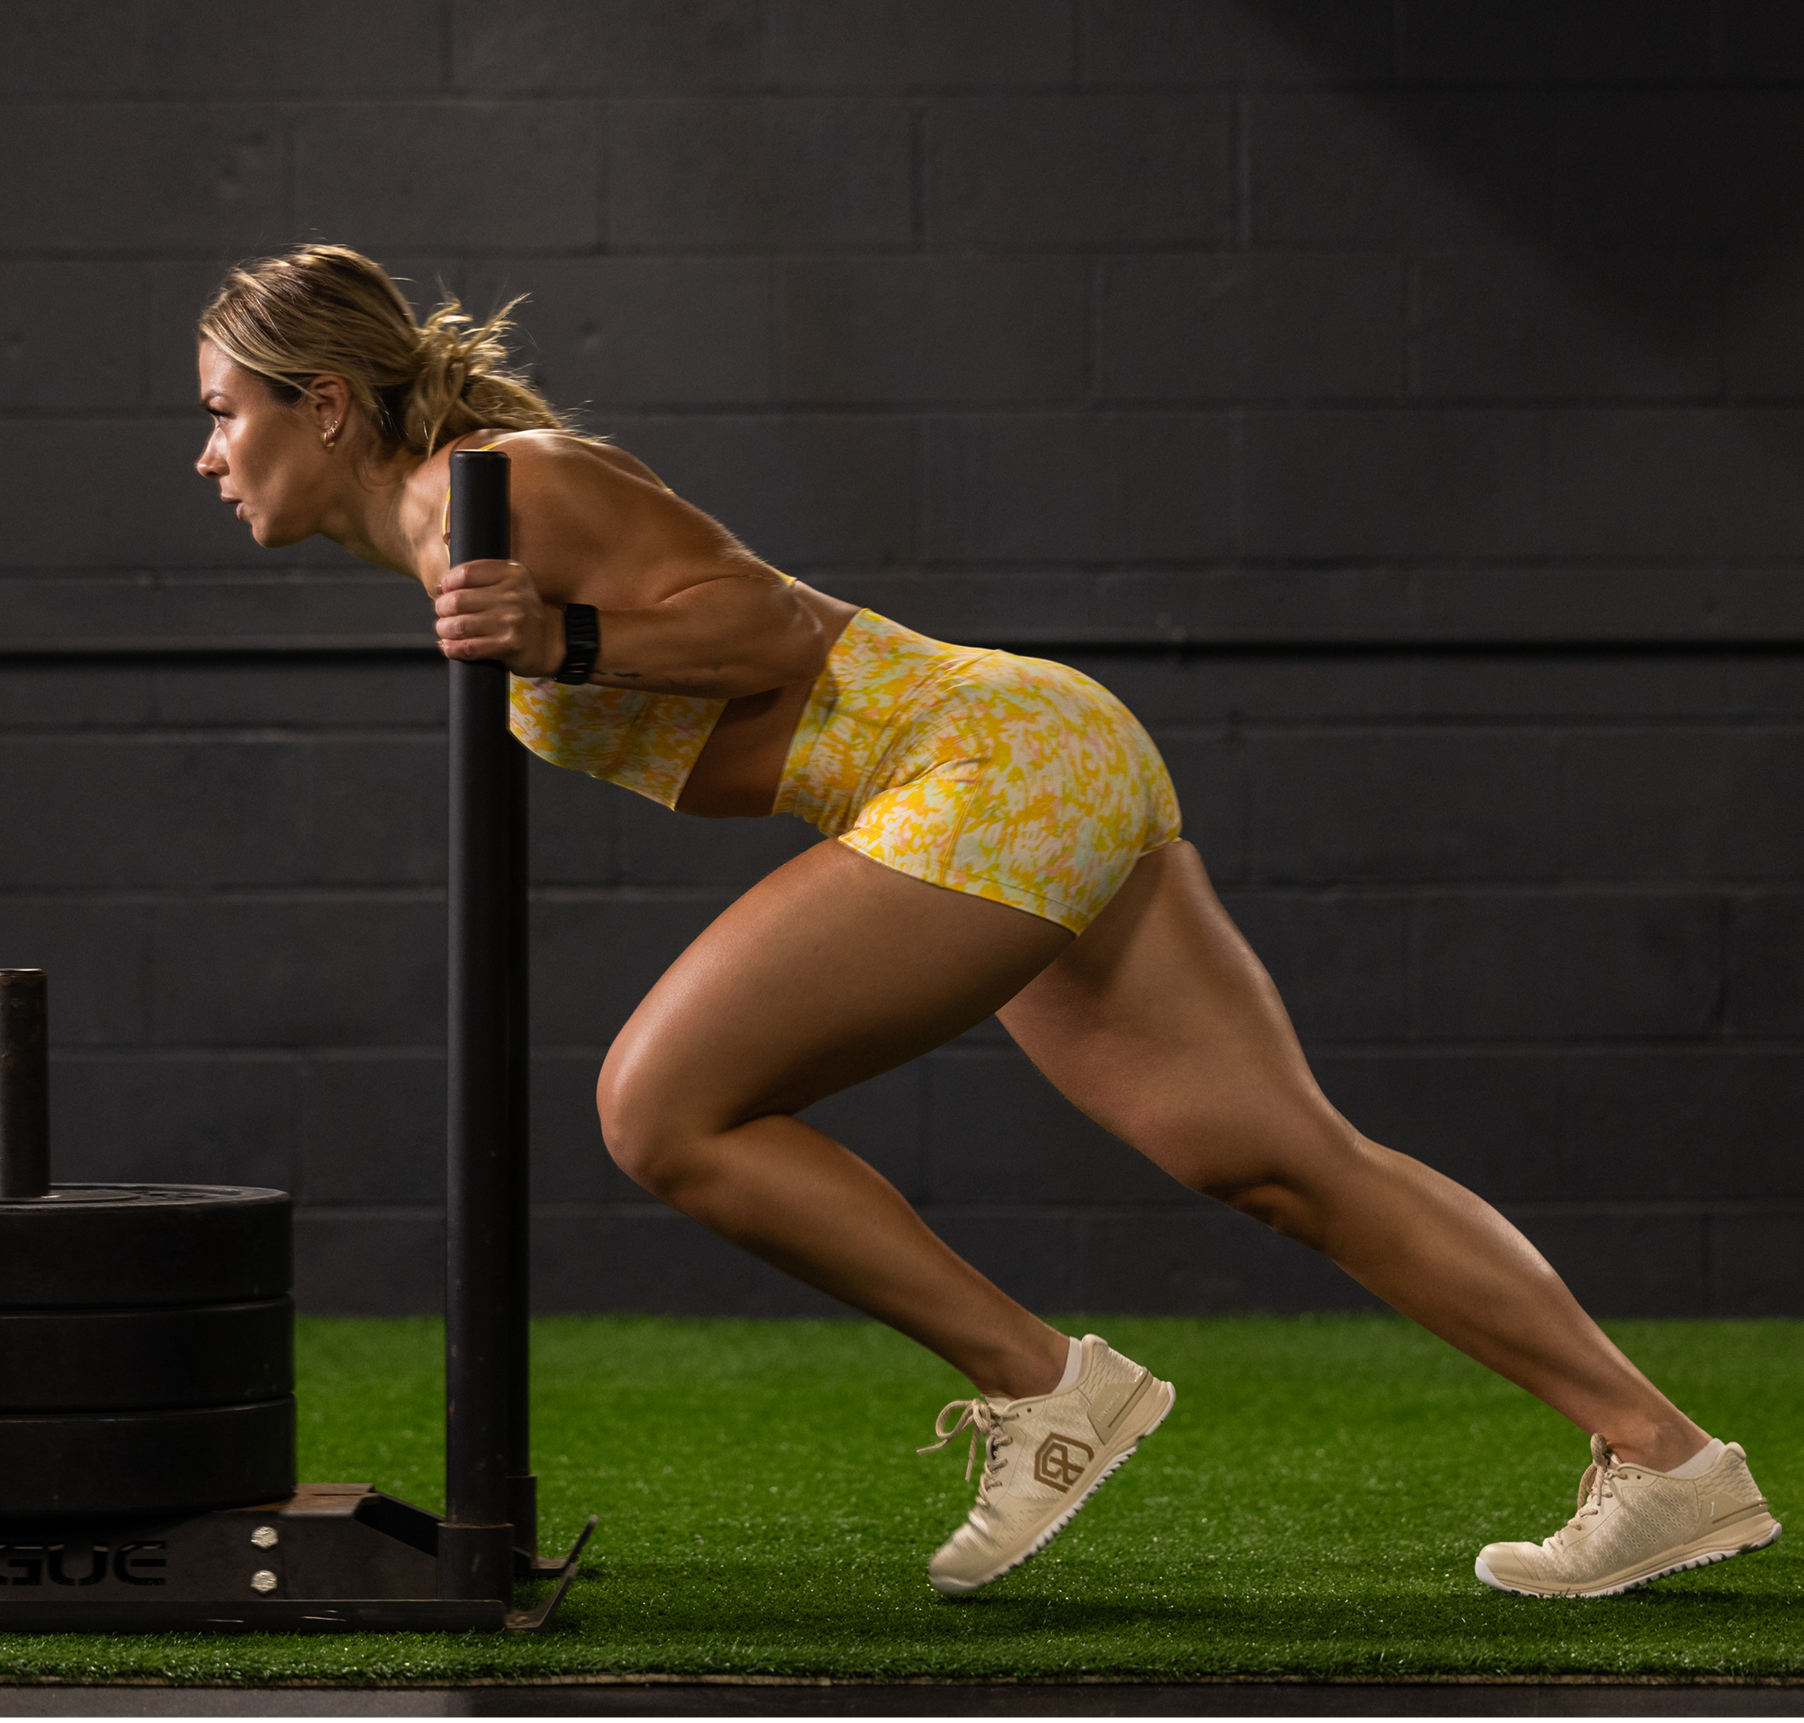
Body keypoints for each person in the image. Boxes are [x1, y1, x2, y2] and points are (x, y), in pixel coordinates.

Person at [193, 243, 1778, 1602]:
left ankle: (1043, 1387)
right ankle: (1672, 1464)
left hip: (977, 760)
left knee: (661, 1108)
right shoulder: (446, 523)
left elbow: (765, 622)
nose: (207, 454)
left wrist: (568, 638)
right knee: (1282, 1158)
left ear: (322, 405)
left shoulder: (505, 484)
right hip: (1025, 761)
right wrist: (560, 639)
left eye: (221, 411)